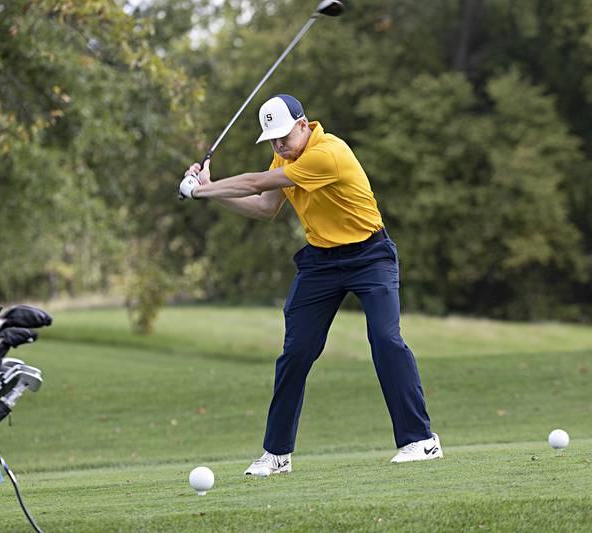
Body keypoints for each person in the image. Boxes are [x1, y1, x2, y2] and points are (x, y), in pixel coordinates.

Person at [180, 94, 442, 476]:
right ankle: (277, 454)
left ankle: (421, 440)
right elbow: (265, 207)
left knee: (386, 340)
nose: (279, 145)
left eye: (284, 136)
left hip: (370, 255)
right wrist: (212, 191)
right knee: (296, 353)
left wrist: (202, 189)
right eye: (272, 140)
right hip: (321, 263)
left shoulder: (328, 153)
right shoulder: (284, 157)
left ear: (304, 125)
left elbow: (254, 183)